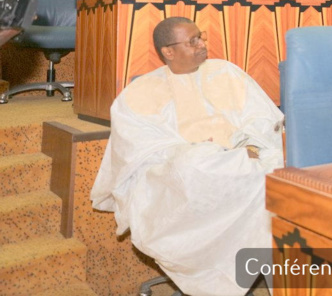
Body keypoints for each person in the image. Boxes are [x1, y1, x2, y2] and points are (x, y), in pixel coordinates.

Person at [91, 17, 283, 296]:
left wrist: (249, 146)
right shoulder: (141, 91)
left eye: (200, 37)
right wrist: (205, 152)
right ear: (168, 51)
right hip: (193, 169)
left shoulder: (227, 72)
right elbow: (141, 149)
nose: (201, 44)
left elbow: (263, 119)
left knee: (273, 168)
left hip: (243, 158)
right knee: (196, 165)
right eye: (192, 41)